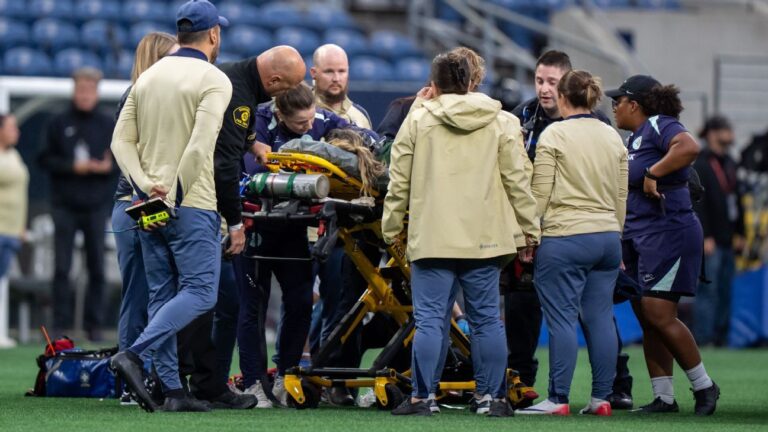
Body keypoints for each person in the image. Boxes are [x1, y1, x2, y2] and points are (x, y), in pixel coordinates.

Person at [383, 51, 540, 417]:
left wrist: (391, 228)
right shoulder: (502, 121)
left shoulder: (418, 120)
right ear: (472, 81)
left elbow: (398, 180)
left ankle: (424, 399)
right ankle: (492, 399)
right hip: (486, 240)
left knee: (431, 321)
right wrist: (530, 229)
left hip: (433, 237)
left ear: (433, 85)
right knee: (486, 320)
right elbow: (519, 180)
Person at [109, 0, 233, 413]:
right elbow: (200, 145)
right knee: (200, 293)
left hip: (145, 201)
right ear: (213, 34)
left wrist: (147, 188)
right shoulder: (214, 79)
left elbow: (119, 142)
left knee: (161, 295)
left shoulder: (148, 77)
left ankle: (172, 392)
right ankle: (135, 353)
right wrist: (175, 195)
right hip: (190, 202)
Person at [238, 81, 379, 407]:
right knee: (252, 308)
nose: (308, 127)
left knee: (300, 302)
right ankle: (254, 384)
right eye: (300, 124)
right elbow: (252, 170)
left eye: (310, 120)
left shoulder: (324, 120)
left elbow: (363, 138)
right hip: (256, 224)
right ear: (279, 113)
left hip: (296, 228)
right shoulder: (258, 122)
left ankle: (287, 377)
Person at [508, 50, 633, 409]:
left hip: (565, 238)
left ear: (563, 97)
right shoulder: (612, 136)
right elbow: (621, 195)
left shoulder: (554, 136)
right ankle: (601, 398)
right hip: (608, 239)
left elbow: (540, 195)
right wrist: (618, 237)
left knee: (562, 320)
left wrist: (527, 238)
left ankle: (558, 398)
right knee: (600, 320)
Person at [607, 75, 720, 415]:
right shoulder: (634, 140)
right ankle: (664, 397)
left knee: (658, 311)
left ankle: (704, 385)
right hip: (644, 235)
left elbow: (689, 147)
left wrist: (654, 172)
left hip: (668, 231)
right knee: (647, 315)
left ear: (635, 105)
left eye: (619, 100)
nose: (614, 106)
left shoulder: (659, 124)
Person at [210, 45, 306, 409]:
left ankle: (279, 376)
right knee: (233, 304)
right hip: (234, 216)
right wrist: (235, 222)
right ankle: (238, 382)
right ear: (274, 81)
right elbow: (225, 164)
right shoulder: (239, 93)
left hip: (281, 227)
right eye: (287, 88)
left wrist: (254, 143)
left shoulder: (241, 83)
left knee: (290, 301)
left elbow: (237, 138)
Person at [39, 67, 116, 341]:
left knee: (97, 267)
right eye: (81, 89)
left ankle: (94, 326)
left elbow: (120, 162)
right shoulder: (57, 122)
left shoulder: (107, 124)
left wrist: (107, 166)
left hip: (96, 207)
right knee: (62, 268)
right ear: (74, 89)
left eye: (90, 89)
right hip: (64, 207)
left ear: (96, 91)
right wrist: (74, 167)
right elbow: (44, 160)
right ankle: (59, 327)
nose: (85, 94)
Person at [692, 115, 744, 347]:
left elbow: (737, 200)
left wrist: (740, 232)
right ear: (713, 133)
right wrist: (705, 235)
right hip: (710, 239)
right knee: (708, 289)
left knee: (725, 289)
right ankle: (704, 337)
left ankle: (721, 336)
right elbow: (698, 203)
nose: (730, 134)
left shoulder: (730, 162)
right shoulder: (701, 164)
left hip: (728, 238)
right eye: (726, 129)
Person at [311, 44, 372, 128]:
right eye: (329, 71)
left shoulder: (360, 115)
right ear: (314, 73)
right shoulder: (300, 111)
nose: (336, 78)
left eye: (341, 71)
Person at [0, 114, 28, 283]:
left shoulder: (14, 155)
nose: (16, 132)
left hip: (11, 231)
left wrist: (21, 226)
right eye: (11, 127)